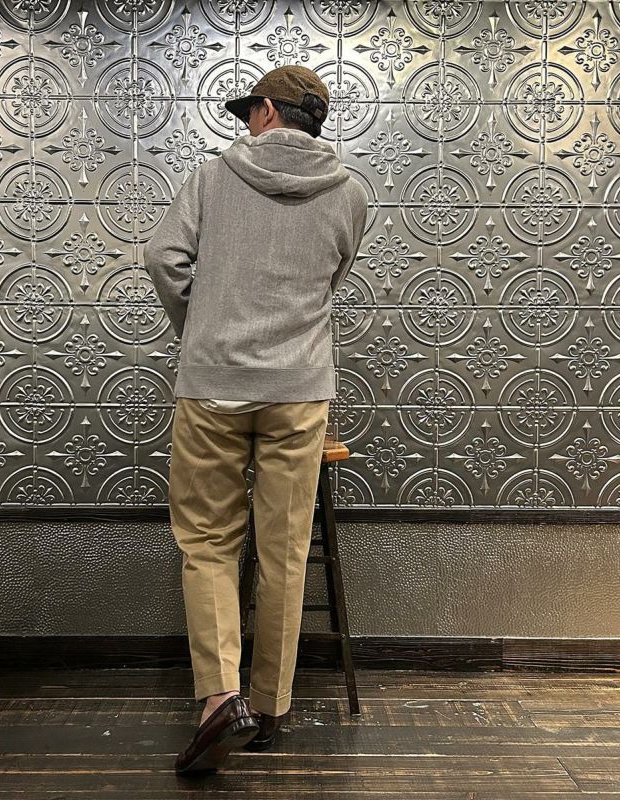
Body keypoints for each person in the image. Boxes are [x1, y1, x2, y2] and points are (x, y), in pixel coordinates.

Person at [143, 64, 368, 775]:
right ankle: (271, 707)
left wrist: (202, 327)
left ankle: (220, 700)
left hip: (212, 383)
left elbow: (162, 257)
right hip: (300, 389)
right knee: (284, 550)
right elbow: (331, 278)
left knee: (209, 543)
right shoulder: (352, 193)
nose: (246, 123)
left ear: (268, 111)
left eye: (250, 112)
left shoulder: (213, 178)